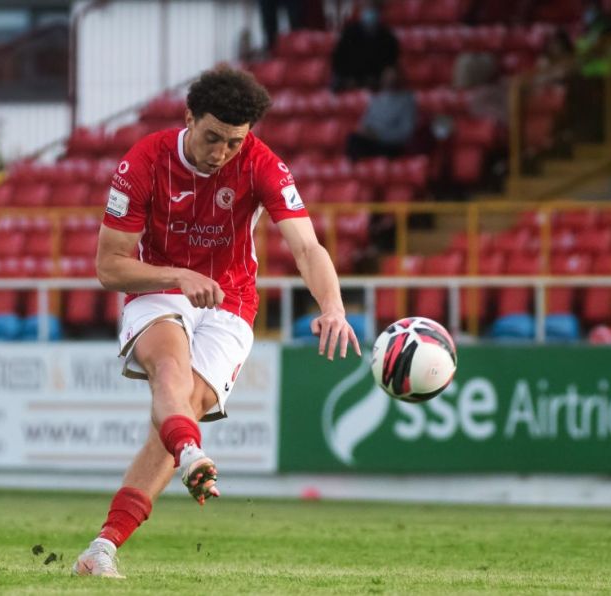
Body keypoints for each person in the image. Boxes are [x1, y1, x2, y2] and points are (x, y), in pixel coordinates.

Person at [72, 65, 362, 578]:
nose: (222, 153)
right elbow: (108, 266)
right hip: (158, 287)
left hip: (231, 301)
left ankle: (103, 547)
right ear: (188, 118)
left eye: (234, 142)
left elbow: (307, 247)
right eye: (212, 137)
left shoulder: (263, 165)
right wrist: (178, 275)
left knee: (185, 405)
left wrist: (333, 307)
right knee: (170, 374)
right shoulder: (143, 161)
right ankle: (189, 451)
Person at [345, 67, 416, 161]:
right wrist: (366, 132)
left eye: (393, 77)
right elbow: (364, 123)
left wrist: (379, 135)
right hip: (372, 141)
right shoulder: (376, 99)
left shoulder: (407, 100)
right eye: (387, 77)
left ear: (399, 78)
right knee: (353, 140)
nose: (390, 80)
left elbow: (405, 132)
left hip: (390, 144)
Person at [331, 0, 399, 92]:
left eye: (373, 8)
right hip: (352, 80)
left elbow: (391, 63)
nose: (370, 11)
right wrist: (349, 78)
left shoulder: (387, 36)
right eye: (367, 7)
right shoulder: (349, 33)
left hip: (376, 81)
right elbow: (338, 61)